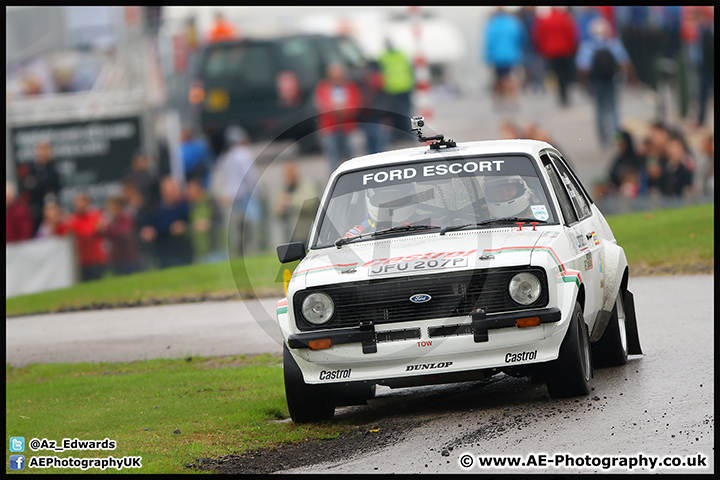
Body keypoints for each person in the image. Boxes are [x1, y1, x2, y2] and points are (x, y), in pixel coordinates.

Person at [575, 17, 632, 147]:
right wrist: (626, 78)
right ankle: (617, 139)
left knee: (599, 111)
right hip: (611, 80)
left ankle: (603, 139)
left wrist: (584, 84)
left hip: (596, 82)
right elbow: (624, 62)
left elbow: (583, 67)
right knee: (613, 109)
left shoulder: (587, 45)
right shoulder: (613, 43)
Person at [214, 126, 261, 257]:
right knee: (252, 230)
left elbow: (222, 179)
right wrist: (257, 191)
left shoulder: (225, 156)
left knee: (235, 233)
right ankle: (251, 254)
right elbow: (250, 175)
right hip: (246, 196)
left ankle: (237, 255)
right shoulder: (243, 153)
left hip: (231, 198)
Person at [313, 63, 363, 172]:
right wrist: (333, 108)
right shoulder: (323, 87)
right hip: (330, 127)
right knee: (332, 156)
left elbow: (356, 103)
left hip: (347, 126)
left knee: (350, 156)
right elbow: (320, 104)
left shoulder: (350, 87)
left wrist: (344, 109)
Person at [140, 177, 194, 268]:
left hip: (183, 250)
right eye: (166, 189)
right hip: (163, 251)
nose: (169, 191)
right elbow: (148, 224)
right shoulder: (155, 209)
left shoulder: (186, 206)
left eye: (172, 188)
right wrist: (147, 230)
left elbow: (193, 223)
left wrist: (184, 227)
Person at [533, 7, 580, 107]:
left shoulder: (545, 20)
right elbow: (571, 32)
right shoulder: (564, 18)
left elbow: (539, 36)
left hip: (552, 52)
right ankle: (565, 92)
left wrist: (542, 49)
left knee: (557, 74)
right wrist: (572, 47)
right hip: (565, 50)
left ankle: (561, 93)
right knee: (565, 73)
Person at [484, 7, 527, 110]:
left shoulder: (492, 25)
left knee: (499, 78)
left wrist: (488, 57)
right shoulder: (513, 23)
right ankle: (512, 98)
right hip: (511, 55)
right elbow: (521, 38)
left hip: (497, 57)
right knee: (510, 77)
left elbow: (489, 42)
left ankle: (500, 99)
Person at [65, 193, 109, 282]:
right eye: (77, 201)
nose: (79, 204)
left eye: (81, 201)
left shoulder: (95, 215)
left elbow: (98, 230)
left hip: (97, 259)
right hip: (82, 261)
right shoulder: (73, 219)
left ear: (87, 202)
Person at [19, 140, 61, 234]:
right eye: (40, 149)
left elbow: (49, 184)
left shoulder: (53, 167)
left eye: (45, 149)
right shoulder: (32, 167)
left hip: (50, 207)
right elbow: (24, 184)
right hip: (35, 209)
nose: (43, 152)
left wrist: (35, 184)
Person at [377, 40, 415, 137]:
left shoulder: (384, 57)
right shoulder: (397, 55)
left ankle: (405, 134)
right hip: (395, 89)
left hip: (399, 89)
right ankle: (403, 134)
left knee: (402, 113)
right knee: (398, 113)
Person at [275, 162, 320, 244]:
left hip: (306, 233)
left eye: (290, 174)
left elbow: (311, 203)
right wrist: (280, 208)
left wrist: (291, 202)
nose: (288, 177)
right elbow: (277, 210)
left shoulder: (307, 186)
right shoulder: (285, 189)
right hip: (290, 235)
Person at [186, 178, 225, 263]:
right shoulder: (191, 206)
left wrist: (208, 224)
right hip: (200, 251)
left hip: (215, 247)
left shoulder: (210, 201)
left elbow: (220, 220)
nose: (189, 192)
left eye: (191, 189)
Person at [105, 196, 140, 276]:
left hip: (129, 258)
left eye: (111, 206)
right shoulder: (111, 220)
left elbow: (124, 233)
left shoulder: (126, 218)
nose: (110, 209)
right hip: (117, 259)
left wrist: (108, 228)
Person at [517, 6, 546, 93]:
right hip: (525, 46)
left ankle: (538, 84)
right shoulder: (520, 17)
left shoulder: (537, 17)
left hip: (535, 46)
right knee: (526, 67)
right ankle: (527, 85)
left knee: (537, 67)